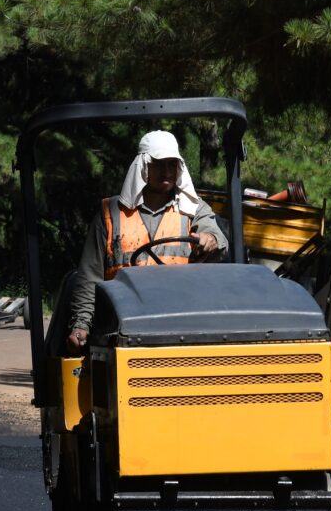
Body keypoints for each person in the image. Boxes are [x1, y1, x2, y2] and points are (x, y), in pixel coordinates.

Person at [65, 130, 227, 354]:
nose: (167, 171)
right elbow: (89, 275)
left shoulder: (192, 208)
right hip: (120, 325)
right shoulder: (110, 213)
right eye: (159, 164)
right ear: (143, 166)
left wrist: (211, 239)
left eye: (172, 164)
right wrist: (81, 325)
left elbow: (213, 234)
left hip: (179, 324)